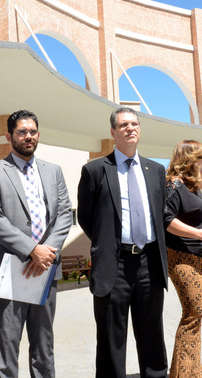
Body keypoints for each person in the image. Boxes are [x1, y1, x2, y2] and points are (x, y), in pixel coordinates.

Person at [77, 107, 169, 378]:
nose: (130, 128)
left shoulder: (155, 170)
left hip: (149, 263)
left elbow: (160, 213)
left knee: (152, 335)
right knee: (111, 338)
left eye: (134, 124)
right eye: (123, 125)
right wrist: (106, 244)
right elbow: (86, 218)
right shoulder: (95, 170)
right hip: (113, 265)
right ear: (113, 132)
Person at [0, 110, 73, 378]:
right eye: (22, 132)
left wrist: (46, 252)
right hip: (11, 268)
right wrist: (32, 249)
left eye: (32, 132)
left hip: (45, 267)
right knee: (7, 345)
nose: (28, 136)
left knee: (44, 344)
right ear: (9, 136)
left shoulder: (53, 171)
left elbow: (65, 214)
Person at [164, 140, 202, 378]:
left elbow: (200, 219)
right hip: (181, 257)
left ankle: (191, 372)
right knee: (192, 315)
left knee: (196, 317)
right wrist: (198, 234)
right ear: (188, 159)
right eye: (200, 157)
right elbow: (167, 220)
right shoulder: (173, 184)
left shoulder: (192, 188)